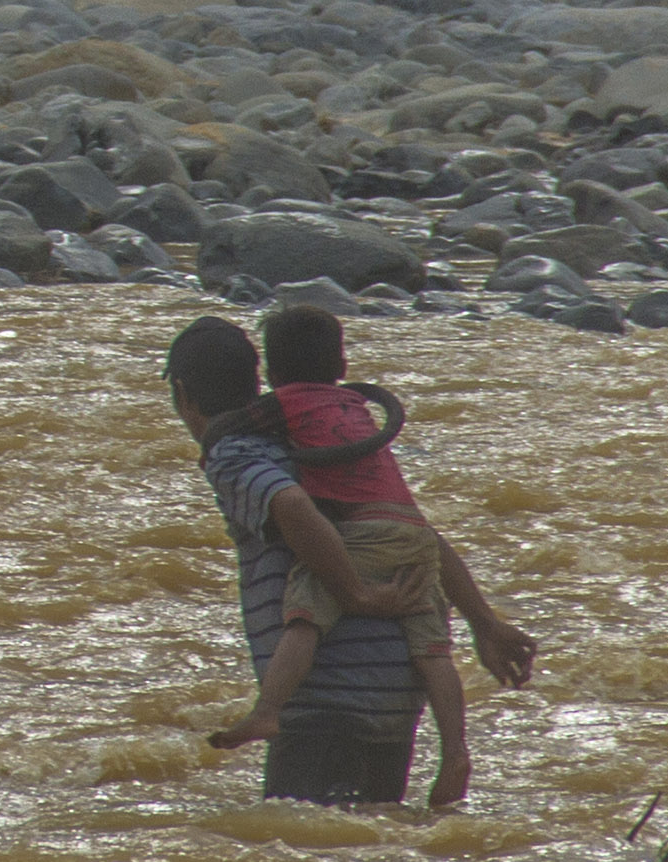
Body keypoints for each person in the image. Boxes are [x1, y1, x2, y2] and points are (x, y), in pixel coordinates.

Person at [167, 316, 534, 807]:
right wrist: (483, 623)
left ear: (182, 396)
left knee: (300, 858)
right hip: (395, 691)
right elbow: (412, 531)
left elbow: (291, 505)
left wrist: (354, 593)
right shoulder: (320, 436)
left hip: (328, 699)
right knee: (367, 852)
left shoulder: (236, 454)